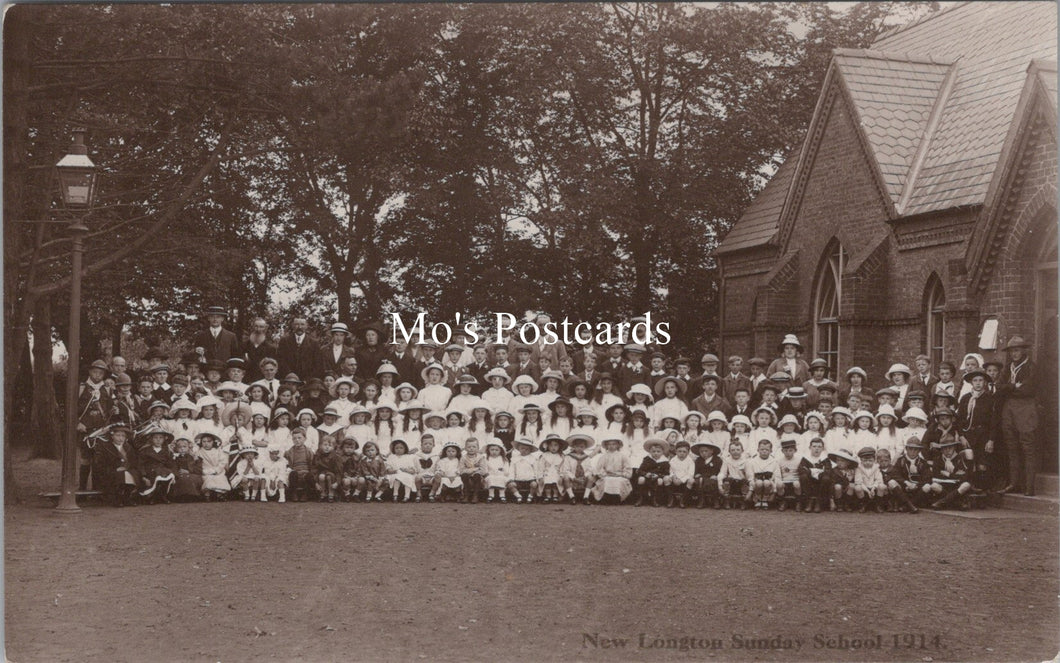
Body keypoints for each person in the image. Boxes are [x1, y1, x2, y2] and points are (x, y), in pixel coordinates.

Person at [998, 335, 1039, 496]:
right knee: (1011, 446)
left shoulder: (1031, 367)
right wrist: (1014, 385)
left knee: (1027, 446)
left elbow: (1028, 389)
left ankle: (1029, 487)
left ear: (1023, 350)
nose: (1014, 354)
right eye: (1012, 351)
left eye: (1017, 350)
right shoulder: (1008, 367)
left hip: (1026, 409)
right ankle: (1014, 483)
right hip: (1009, 409)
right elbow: (999, 387)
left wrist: (1010, 388)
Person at [92, 418, 141, 507]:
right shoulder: (105, 447)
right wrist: (115, 468)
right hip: (111, 471)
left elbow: (134, 461)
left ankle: (127, 497)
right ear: (112, 436)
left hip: (127, 469)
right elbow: (100, 464)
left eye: (123, 436)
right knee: (120, 475)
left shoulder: (129, 448)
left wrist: (127, 467)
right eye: (118, 435)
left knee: (133, 474)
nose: (120, 438)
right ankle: (117, 499)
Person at [886, 436, 931, 513]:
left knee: (927, 486)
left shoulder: (923, 463)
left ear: (919, 450)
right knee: (891, 482)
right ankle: (910, 505)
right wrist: (906, 483)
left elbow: (928, 478)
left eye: (916, 449)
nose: (913, 452)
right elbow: (894, 474)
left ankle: (908, 506)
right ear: (906, 449)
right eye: (910, 449)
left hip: (917, 490)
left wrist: (916, 485)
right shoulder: (900, 460)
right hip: (904, 489)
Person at [138, 424, 177, 504]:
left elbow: (171, 464)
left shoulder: (167, 451)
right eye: (155, 438)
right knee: (155, 477)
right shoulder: (145, 450)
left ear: (164, 439)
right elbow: (141, 464)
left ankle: (163, 495)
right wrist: (143, 476)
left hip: (163, 471)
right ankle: (152, 496)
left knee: (167, 475)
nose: (158, 440)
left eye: (161, 438)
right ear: (151, 439)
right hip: (150, 472)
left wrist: (174, 472)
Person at [798, 437, 831, 513]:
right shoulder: (805, 458)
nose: (817, 449)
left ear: (823, 448)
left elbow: (828, 470)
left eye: (819, 447)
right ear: (810, 447)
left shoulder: (825, 459)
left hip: (821, 480)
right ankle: (809, 501)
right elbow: (801, 469)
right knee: (803, 477)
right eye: (814, 446)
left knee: (826, 478)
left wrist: (817, 473)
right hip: (809, 480)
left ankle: (818, 502)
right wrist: (813, 471)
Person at [196, 432, 230, 501]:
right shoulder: (199, 452)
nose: (206, 444)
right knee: (208, 479)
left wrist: (217, 470)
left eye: (209, 441)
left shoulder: (218, 451)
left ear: (213, 442)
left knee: (220, 478)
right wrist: (204, 471)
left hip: (217, 471)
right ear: (201, 442)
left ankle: (219, 495)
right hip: (206, 470)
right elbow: (197, 464)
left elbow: (223, 461)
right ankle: (207, 495)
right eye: (204, 441)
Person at [718, 439, 751, 509]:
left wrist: (750, 491)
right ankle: (726, 500)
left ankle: (744, 501)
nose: (735, 452)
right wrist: (720, 485)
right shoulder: (727, 460)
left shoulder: (746, 461)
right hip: (731, 482)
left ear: (742, 451)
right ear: (729, 451)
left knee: (745, 482)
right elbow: (722, 473)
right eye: (732, 450)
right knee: (726, 481)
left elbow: (750, 475)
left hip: (741, 482)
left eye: (738, 450)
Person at [748, 439, 780, 509]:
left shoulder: (774, 462)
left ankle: (765, 499)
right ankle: (758, 498)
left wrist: (774, 490)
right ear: (758, 450)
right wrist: (751, 488)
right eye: (762, 449)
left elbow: (777, 476)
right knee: (759, 482)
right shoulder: (752, 461)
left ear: (771, 451)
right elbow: (750, 477)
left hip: (769, 486)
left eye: (767, 449)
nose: (764, 451)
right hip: (756, 486)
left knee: (766, 482)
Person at [285, 428, 315, 502]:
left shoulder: (309, 451)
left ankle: (305, 493)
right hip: (295, 471)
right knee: (293, 474)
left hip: (305, 471)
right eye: (294, 438)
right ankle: (294, 493)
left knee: (309, 476)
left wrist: (309, 471)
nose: (297, 440)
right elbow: (288, 464)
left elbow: (312, 464)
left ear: (305, 438)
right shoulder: (289, 452)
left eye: (299, 438)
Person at [853, 446, 887, 512]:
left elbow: (879, 480)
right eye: (865, 460)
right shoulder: (859, 469)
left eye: (870, 460)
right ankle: (863, 504)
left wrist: (873, 488)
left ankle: (878, 504)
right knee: (857, 487)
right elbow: (859, 482)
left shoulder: (876, 468)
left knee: (882, 486)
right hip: (864, 488)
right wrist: (868, 491)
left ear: (874, 460)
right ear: (861, 460)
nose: (868, 462)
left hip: (874, 488)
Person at [171, 437, 204, 502]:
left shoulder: (194, 457)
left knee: (192, 479)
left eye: (184, 447)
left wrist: (189, 471)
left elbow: (199, 469)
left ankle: (194, 496)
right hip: (179, 474)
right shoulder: (175, 458)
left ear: (189, 447)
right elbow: (173, 468)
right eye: (180, 447)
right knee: (181, 479)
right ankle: (181, 496)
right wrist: (178, 472)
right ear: (176, 449)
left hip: (193, 474)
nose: (182, 449)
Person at [313, 435, 344, 502]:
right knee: (321, 476)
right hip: (321, 475)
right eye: (325, 445)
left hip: (332, 475)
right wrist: (315, 482)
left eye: (330, 445)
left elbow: (339, 471)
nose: (327, 447)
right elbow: (314, 469)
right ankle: (323, 493)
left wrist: (337, 482)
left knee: (329, 476)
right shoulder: (318, 456)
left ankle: (331, 493)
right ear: (320, 445)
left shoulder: (336, 457)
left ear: (333, 447)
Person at [667, 440, 696, 508]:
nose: (682, 453)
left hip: (685, 481)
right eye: (679, 451)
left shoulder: (690, 461)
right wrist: (673, 477)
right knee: (666, 479)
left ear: (688, 452)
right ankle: (671, 499)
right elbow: (671, 471)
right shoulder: (673, 460)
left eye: (684, 451)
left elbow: (690, 474)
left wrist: (681, 480)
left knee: (691, 480)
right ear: (676, 451)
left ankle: (683, 500)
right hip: (675, 479)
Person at [775, 438, 802, 511]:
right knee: (779, 484)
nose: (788, 452)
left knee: (797, 483)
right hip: (785, 482)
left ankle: (798, 501)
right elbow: (777, 475)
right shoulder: (779, 461)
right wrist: (779, 482)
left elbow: (801, 474)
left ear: (795, 450)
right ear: (782, 451)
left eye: (790, 450)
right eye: (785, 450)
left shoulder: (799, 460)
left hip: (795, 481)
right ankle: (782, 501)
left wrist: (798, 481)